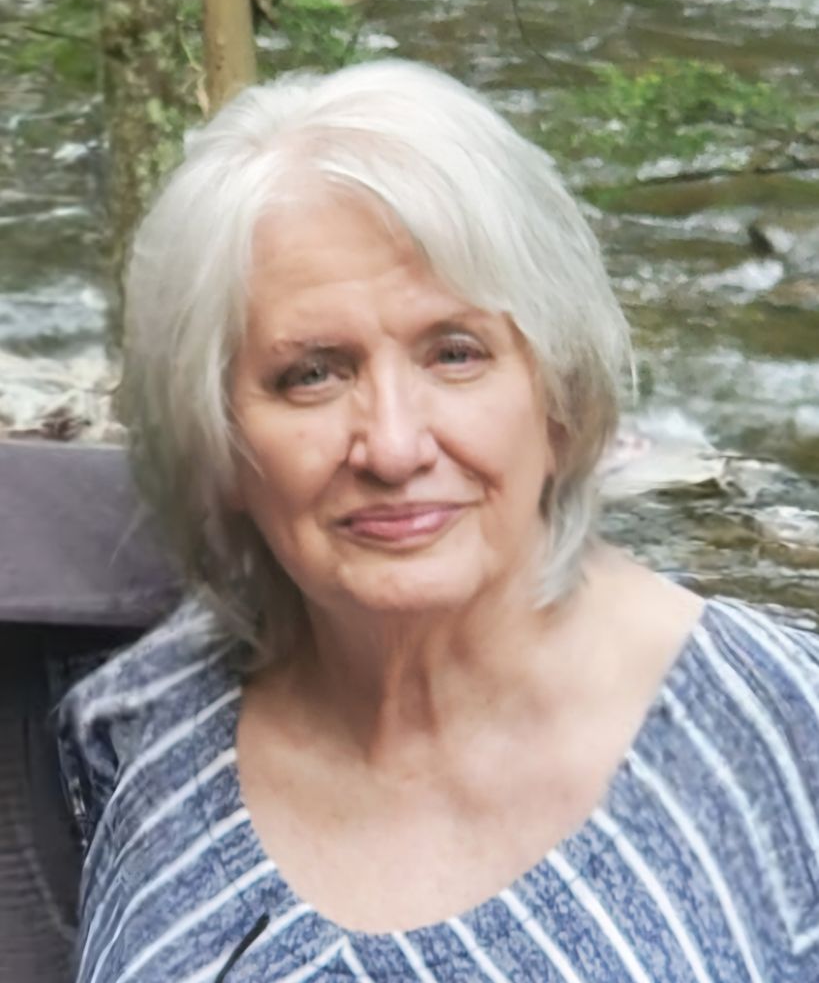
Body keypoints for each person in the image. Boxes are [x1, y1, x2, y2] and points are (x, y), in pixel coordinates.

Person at [59, 60, 819, 983]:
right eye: (311, 373)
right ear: (216, 444)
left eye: (455, 354)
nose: (392, 446)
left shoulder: (785, 737)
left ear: (558, 399)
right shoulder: (144, 727)